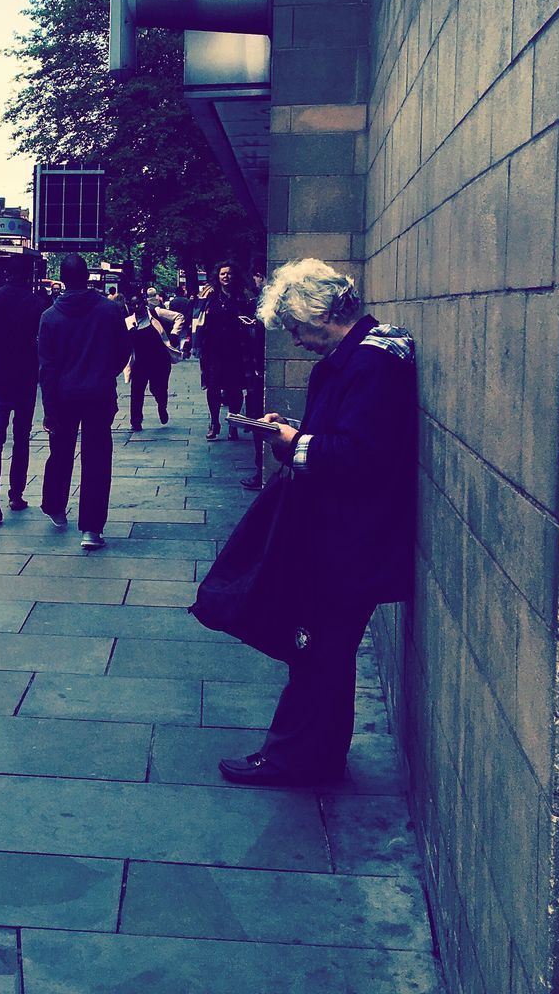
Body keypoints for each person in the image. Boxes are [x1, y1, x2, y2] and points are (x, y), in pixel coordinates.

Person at [217, 258, 417, 787]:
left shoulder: (369, 365)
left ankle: (292, 759)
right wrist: (298, 432)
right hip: (346, 532)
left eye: (295, 326)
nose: (295, 339)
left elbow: (361, 456)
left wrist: (295, 445)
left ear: (321, 314)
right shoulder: (359, 358)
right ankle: (318, 757)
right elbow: (351, 437)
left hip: (348, 537)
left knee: (316, 651)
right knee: (324, 651)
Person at [38, 252, 131, 551]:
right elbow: (122, 351)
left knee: (60, 451)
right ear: (87, 278)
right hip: (99, 395)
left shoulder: (50, 317)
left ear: (63, 280)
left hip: (63, 397)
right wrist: (104, 374)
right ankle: (91, 529)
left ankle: (55, 505)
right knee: (97, 458)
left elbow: (47, 368)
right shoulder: (109, 310)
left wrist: (49, 408)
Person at [0, 258, 49, 523]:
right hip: (25, 378)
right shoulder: (37, 303)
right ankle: (16, 494)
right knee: (21, 437)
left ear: (6, 273)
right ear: (29, 275)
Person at [198, 261, 251, 440]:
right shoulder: (211, 297)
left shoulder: (242, 297)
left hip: (236, 350)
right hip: (213, 350)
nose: (226, 276)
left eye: (229, 273)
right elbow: (198, 319)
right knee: (212, 387)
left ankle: (233, 424)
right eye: (222, 274)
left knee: (235, 389)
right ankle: (214, 422)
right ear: (218, 277)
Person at [128, 286, 185, 431]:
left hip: (159, 360)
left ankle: (162, 406)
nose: (136, 306)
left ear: (144, 303)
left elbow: (179, 317)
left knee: (158, 388)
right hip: (140, 362)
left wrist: (174, 334)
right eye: (133, 304)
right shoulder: (128, 322)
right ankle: (135, 420)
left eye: (138, 303)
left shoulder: (156, 313)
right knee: (136, 391)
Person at [240, 260, 268, 489]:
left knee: (260, 419)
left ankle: (261, 471)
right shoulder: (261, 300)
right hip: (257, 368)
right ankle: (261, 470)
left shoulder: (266, 300)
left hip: (260, 369)